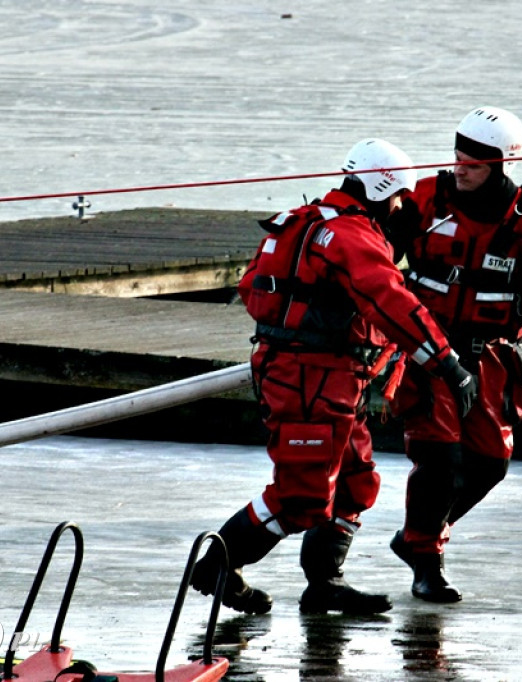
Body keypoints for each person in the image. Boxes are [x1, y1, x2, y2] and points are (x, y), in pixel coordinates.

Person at [189, 138, 478, 616]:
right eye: (399, 196)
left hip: (331, 378)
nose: (403, 206)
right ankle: (218, 565)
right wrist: (447, 364)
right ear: (382, 186)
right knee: (300, 496)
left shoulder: (302, 222)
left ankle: (324, 583)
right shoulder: (350, 235)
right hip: (310, 380)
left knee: (355, 483)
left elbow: (253, 287)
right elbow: (392, 302)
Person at [384, 106, 522, 603]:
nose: (459, 169)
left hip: (489, 357)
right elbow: (370, 257)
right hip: (426, 352)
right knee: (437, 458)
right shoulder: (422, 201)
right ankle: (426, 562)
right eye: (457, 158)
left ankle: (417, 536)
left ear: (502, 166)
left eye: (474, 164)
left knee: (488, 465)